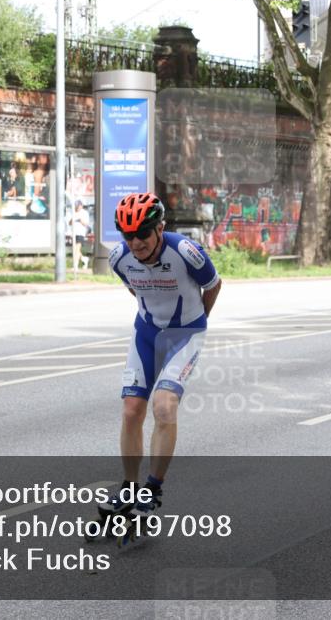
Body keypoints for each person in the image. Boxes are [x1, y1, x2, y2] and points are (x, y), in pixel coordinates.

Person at [100, 192, 222, 518]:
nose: (135, 242)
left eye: (142, 233)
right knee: (131, 409)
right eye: (128, 235)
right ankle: (128, 488)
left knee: (164, 405)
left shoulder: (185, 251)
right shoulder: (118, 258)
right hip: (147, 333)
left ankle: (152, 490)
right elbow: (135, 288)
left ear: (160, 228)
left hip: (185, 334)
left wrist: (198, 323)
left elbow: (213, 285)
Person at [71, 200, 91, 271]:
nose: (77, 207)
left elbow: (86, 224)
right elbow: (70, 222)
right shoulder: (73, 212)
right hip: (73, 233)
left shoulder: (84, 213)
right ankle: (84, 259)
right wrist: (72, 220)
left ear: (81, 206)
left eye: (78, 206)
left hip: (80, 233)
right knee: (75, 249)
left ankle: (75, 266)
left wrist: (80, 220)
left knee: (77, 249)